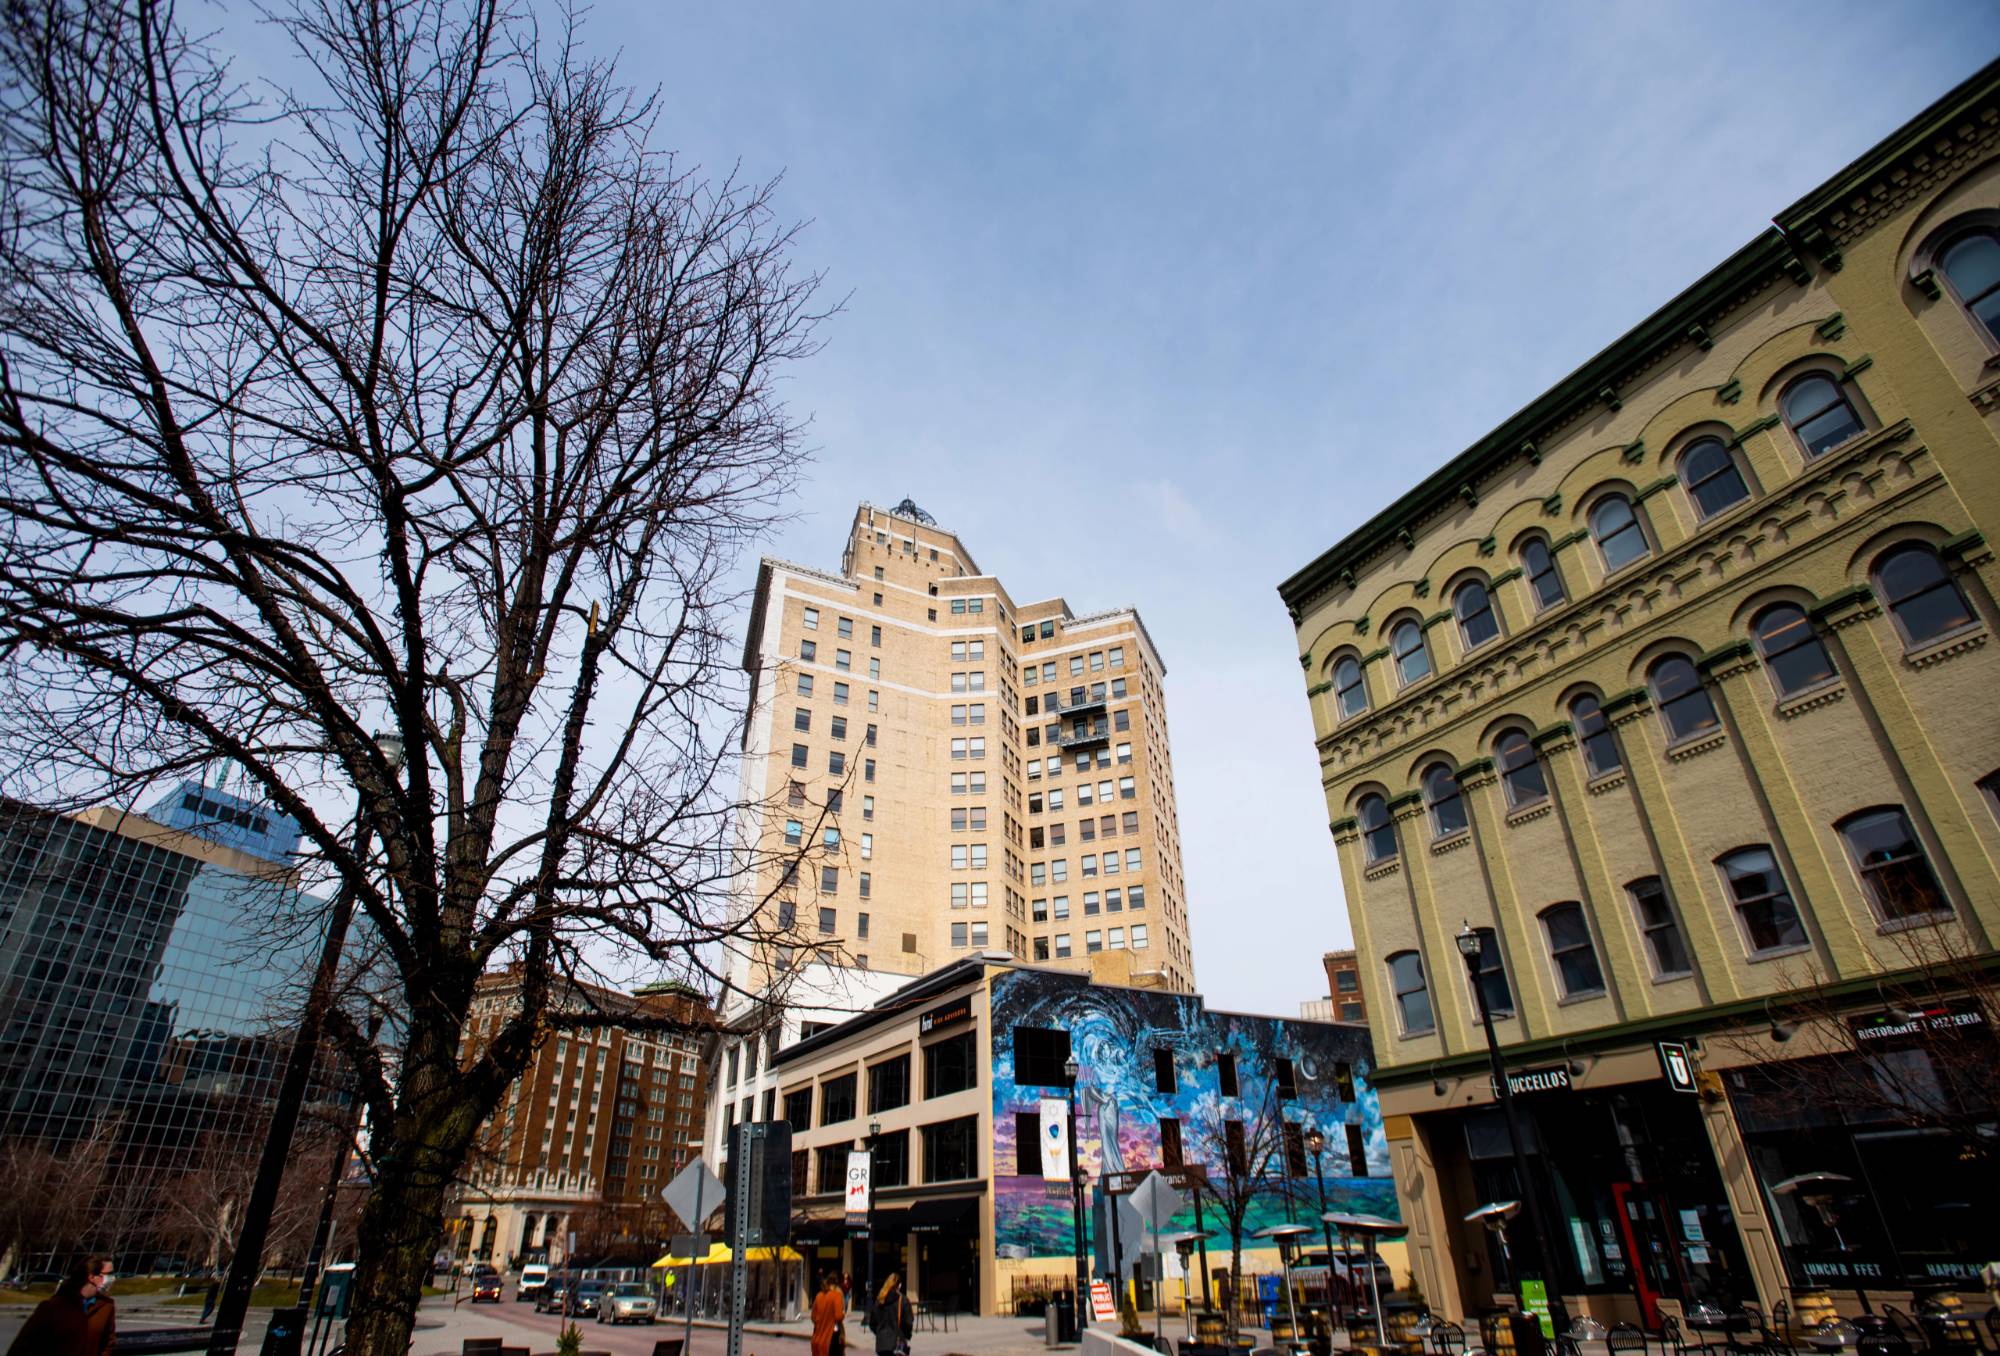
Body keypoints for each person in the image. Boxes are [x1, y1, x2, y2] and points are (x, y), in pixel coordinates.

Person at [7, 1255, 117, 1356]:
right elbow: (23, 1345)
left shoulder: (106, 1306)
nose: (113, 1278)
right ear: (92, 1277)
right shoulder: (53, 1307)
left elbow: (108, 1344)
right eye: (109, 1274)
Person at [870, 1273, 912, 1356]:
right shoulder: (903, 1300)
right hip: (897, 1344)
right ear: (899, 1285)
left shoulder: (879, 1300)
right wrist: (906, 1335)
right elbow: (908, 1322)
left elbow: (872, 1323)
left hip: (881, 1345)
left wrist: (880, 1333)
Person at [811, 1273, 847, 1356]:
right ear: (836, 1285)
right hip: (831, 1336)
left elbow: (813, 1317)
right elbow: (838, 1316)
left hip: (818, 1336)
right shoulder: (836, 1295)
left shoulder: (818, 1295)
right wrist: (843, 1314)